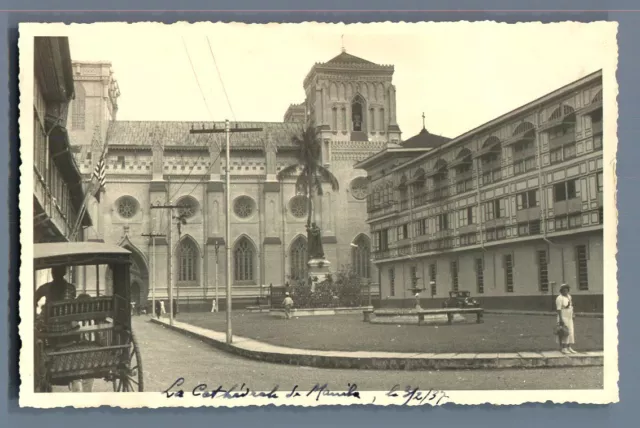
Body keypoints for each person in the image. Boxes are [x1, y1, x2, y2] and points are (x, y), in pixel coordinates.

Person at [34, 266, 84, 392]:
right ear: (65, 273)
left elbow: (35, 297)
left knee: (38, 328)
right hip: (68, 329)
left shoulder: (45, 288)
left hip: (51, 330)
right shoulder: (71, 288)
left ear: (52, 273)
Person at [556, 283, 577, 354]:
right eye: (564, 290)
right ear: (561, 291)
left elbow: (571, 306)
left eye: (567, 290)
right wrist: (561, 319)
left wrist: (573, 314)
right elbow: (558, 309)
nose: (565, 292)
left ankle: (569, 347)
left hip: (569, 316)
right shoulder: (559, 298)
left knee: (571, 331)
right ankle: (563, 348)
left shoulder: (569, 296)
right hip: (563, 316)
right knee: (564, 332)